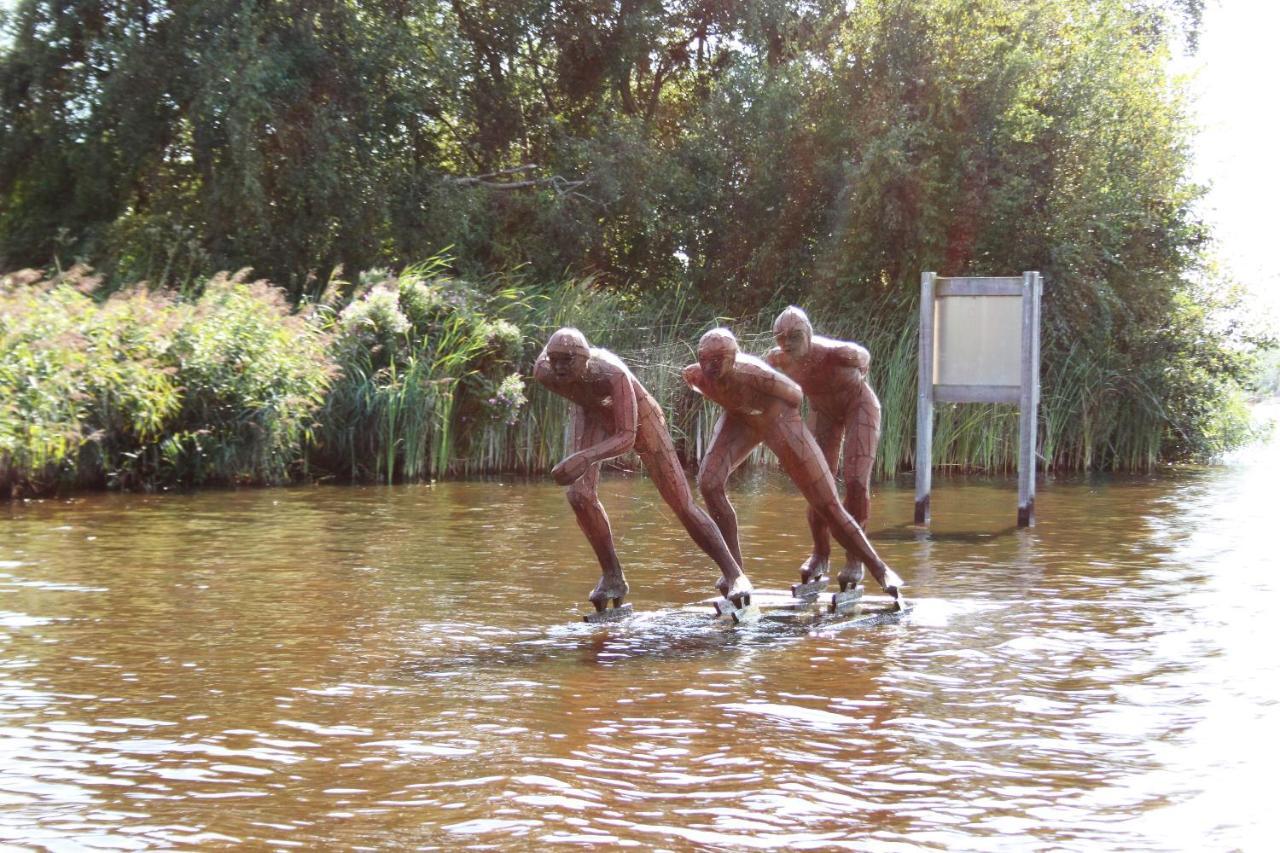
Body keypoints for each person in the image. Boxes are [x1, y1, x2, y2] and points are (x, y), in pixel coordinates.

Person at [533, 328, 753, 613]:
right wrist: (584, 455)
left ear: (585, 358)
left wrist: (584, 458)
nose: (560, 367)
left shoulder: (614, 374)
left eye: (568, 360)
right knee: (579, 496)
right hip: (591, 410)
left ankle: (735, 574)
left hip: (640, 416)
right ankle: (612, 576)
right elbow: (561, 374)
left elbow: (626, 437)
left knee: (681, 502)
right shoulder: (544, 371)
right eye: (555, 360)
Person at [683, 327, 903, 602]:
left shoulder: (753, 372)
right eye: (705, 359)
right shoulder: (695, 376)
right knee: (708, 482)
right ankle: (734, 572)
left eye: (719, 359)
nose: (711, 366)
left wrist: (770, 419)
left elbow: (796, 394)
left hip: (779, 422)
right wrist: (745, 412)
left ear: (734, 357)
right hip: (741, 420)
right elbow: (723, 394)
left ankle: (879, 569)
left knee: (826, 503)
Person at [766, 306, 881, 588]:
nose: (788, 344)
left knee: (855, 482)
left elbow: (863, 357)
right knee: (817, 485)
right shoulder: (778, 359)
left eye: (795, 337)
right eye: (782, 338)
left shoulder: (835, 352)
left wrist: (857, 359)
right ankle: (820, 552)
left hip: (858, 405)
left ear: (808, 334)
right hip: (823, 412)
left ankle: (855, 559)